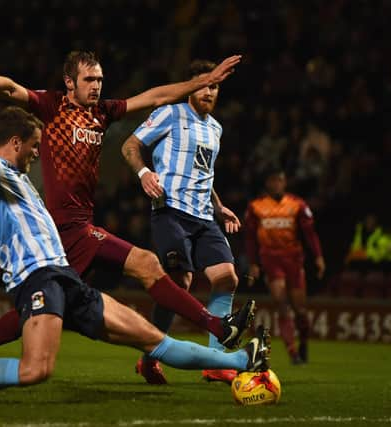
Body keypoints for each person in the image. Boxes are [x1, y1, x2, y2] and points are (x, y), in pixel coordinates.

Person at [0, 47, 270, 402]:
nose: (98, 86)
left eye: (101, 80)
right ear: (70, 82)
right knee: (145, 265)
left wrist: (203, 81)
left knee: (132, 328)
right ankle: (220, 328)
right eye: (90, 80)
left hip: (69, 242)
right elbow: (2, 104)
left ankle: (238, 356)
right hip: (64, 230)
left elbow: (154, 96)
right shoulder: (48, 111)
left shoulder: (99, 114)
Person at [121, 59, 245, 385]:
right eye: (204, 84)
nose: (209, 91)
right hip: (170, 211)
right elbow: (130, 145)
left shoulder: (216, 129)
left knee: (226, 277)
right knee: (180, 282)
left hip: (204, 217)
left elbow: (205, 174)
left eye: (214, 86)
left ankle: (217, 362)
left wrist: (219, 207)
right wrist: (144, 173)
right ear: (190, 86)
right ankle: (151, 357)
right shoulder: (170, 113)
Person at [244, 167, 325, 364]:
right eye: (273, 180)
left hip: (293, 260)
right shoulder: (256, 207)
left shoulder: (297, 205)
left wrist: (318, 257)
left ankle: (304, 340)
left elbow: (309, 233)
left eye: (280, 180)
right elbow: (250, 238)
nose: (277, 184)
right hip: (271, 259)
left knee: (300, 309)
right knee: (281, 303)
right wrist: (253, 263)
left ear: (285, 182)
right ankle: (292, 351)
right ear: (267, 184)